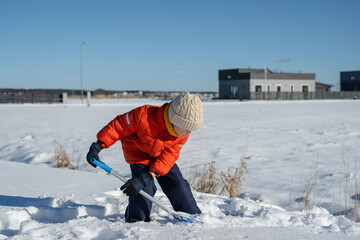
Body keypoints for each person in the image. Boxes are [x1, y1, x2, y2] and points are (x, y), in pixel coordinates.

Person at [86, 92, 203, 222]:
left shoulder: (182, 134)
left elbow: (170, 155)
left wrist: (149, 175)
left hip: (161, 157)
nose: (189, 132)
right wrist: (98, 145)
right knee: (143, 188)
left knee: (177, 183)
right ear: (175, 119)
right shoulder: (143, 116)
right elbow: (118, 127)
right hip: (138, 154)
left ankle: (192, 215)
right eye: (187, 128)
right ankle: (136, 221)